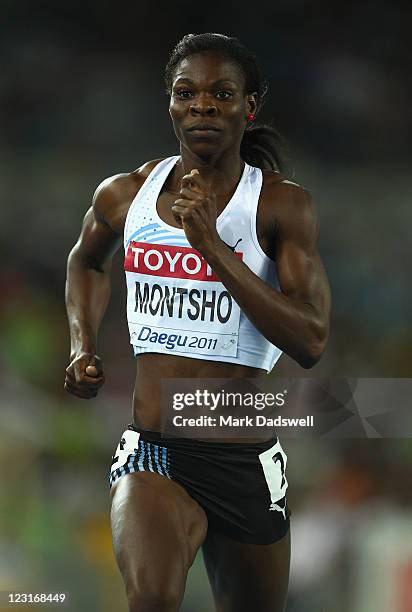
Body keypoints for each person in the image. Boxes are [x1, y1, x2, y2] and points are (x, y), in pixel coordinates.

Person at [65, 33, 331, 612]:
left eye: (221, 94)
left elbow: (311, 339)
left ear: (248, 107)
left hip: (243, 457)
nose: (202, 105)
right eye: (187, 93)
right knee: (153, 597)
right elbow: (85, 261)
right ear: (170, 105)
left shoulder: (280, 206)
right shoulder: (124, 195)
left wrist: (212, 247)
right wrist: (82, 343)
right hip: (154, 449)